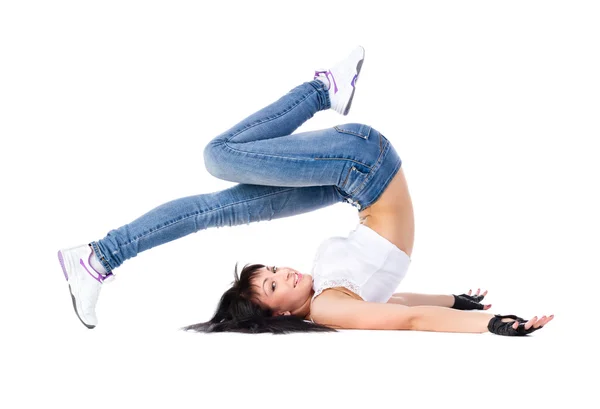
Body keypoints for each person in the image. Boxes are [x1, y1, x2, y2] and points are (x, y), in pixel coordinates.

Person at [58, 46, 554, 336]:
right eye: (275, 285)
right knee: (216, 161)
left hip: (353, 176)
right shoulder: (328, 306)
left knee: (216, 195)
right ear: (284, 315)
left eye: (271, 271)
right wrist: (481, 319)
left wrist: (461, 306)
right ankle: (322, 90)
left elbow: (399, 306)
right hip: (360, 168)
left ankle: (99, 257)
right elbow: (404, 315)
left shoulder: (324, 296)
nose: (284, 272)